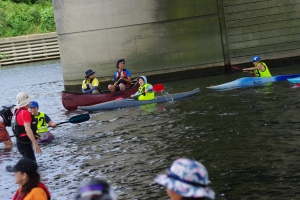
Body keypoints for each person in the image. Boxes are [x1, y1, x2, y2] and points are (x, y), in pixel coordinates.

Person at [11, 92, 41, 161]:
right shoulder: (25, 112)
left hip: (19, 141)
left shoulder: (17, 111)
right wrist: (35, 143)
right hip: (24, 142)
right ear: (27, 102)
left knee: (29, 164)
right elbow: (27, 129)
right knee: (32, 165)